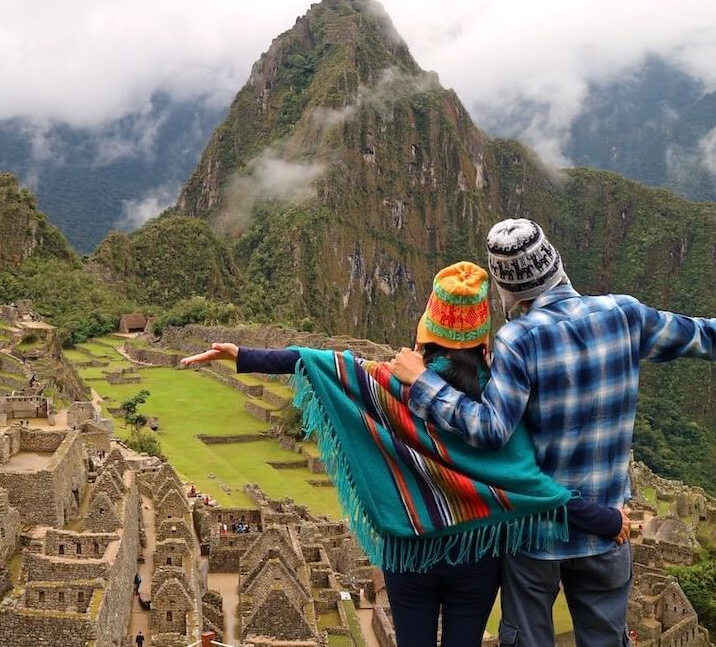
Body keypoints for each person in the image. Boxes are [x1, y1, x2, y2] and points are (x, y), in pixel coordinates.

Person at [181, 262, 625, 646]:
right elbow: (531, 485)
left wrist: (243, 354)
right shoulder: (497, 399)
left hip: (407, 553)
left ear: (426, 330)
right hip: (475, 555)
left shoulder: (387, 384)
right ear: (483, 340)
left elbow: (322, 363)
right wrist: (605, 520)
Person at [388, 220, 716, 647]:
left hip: (535, 538)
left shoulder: (518, 340)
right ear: (558, 265)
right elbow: (705, 336)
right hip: (606, 529)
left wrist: (423, 383)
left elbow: (490, 430)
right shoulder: (625, 313)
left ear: (506, 291)